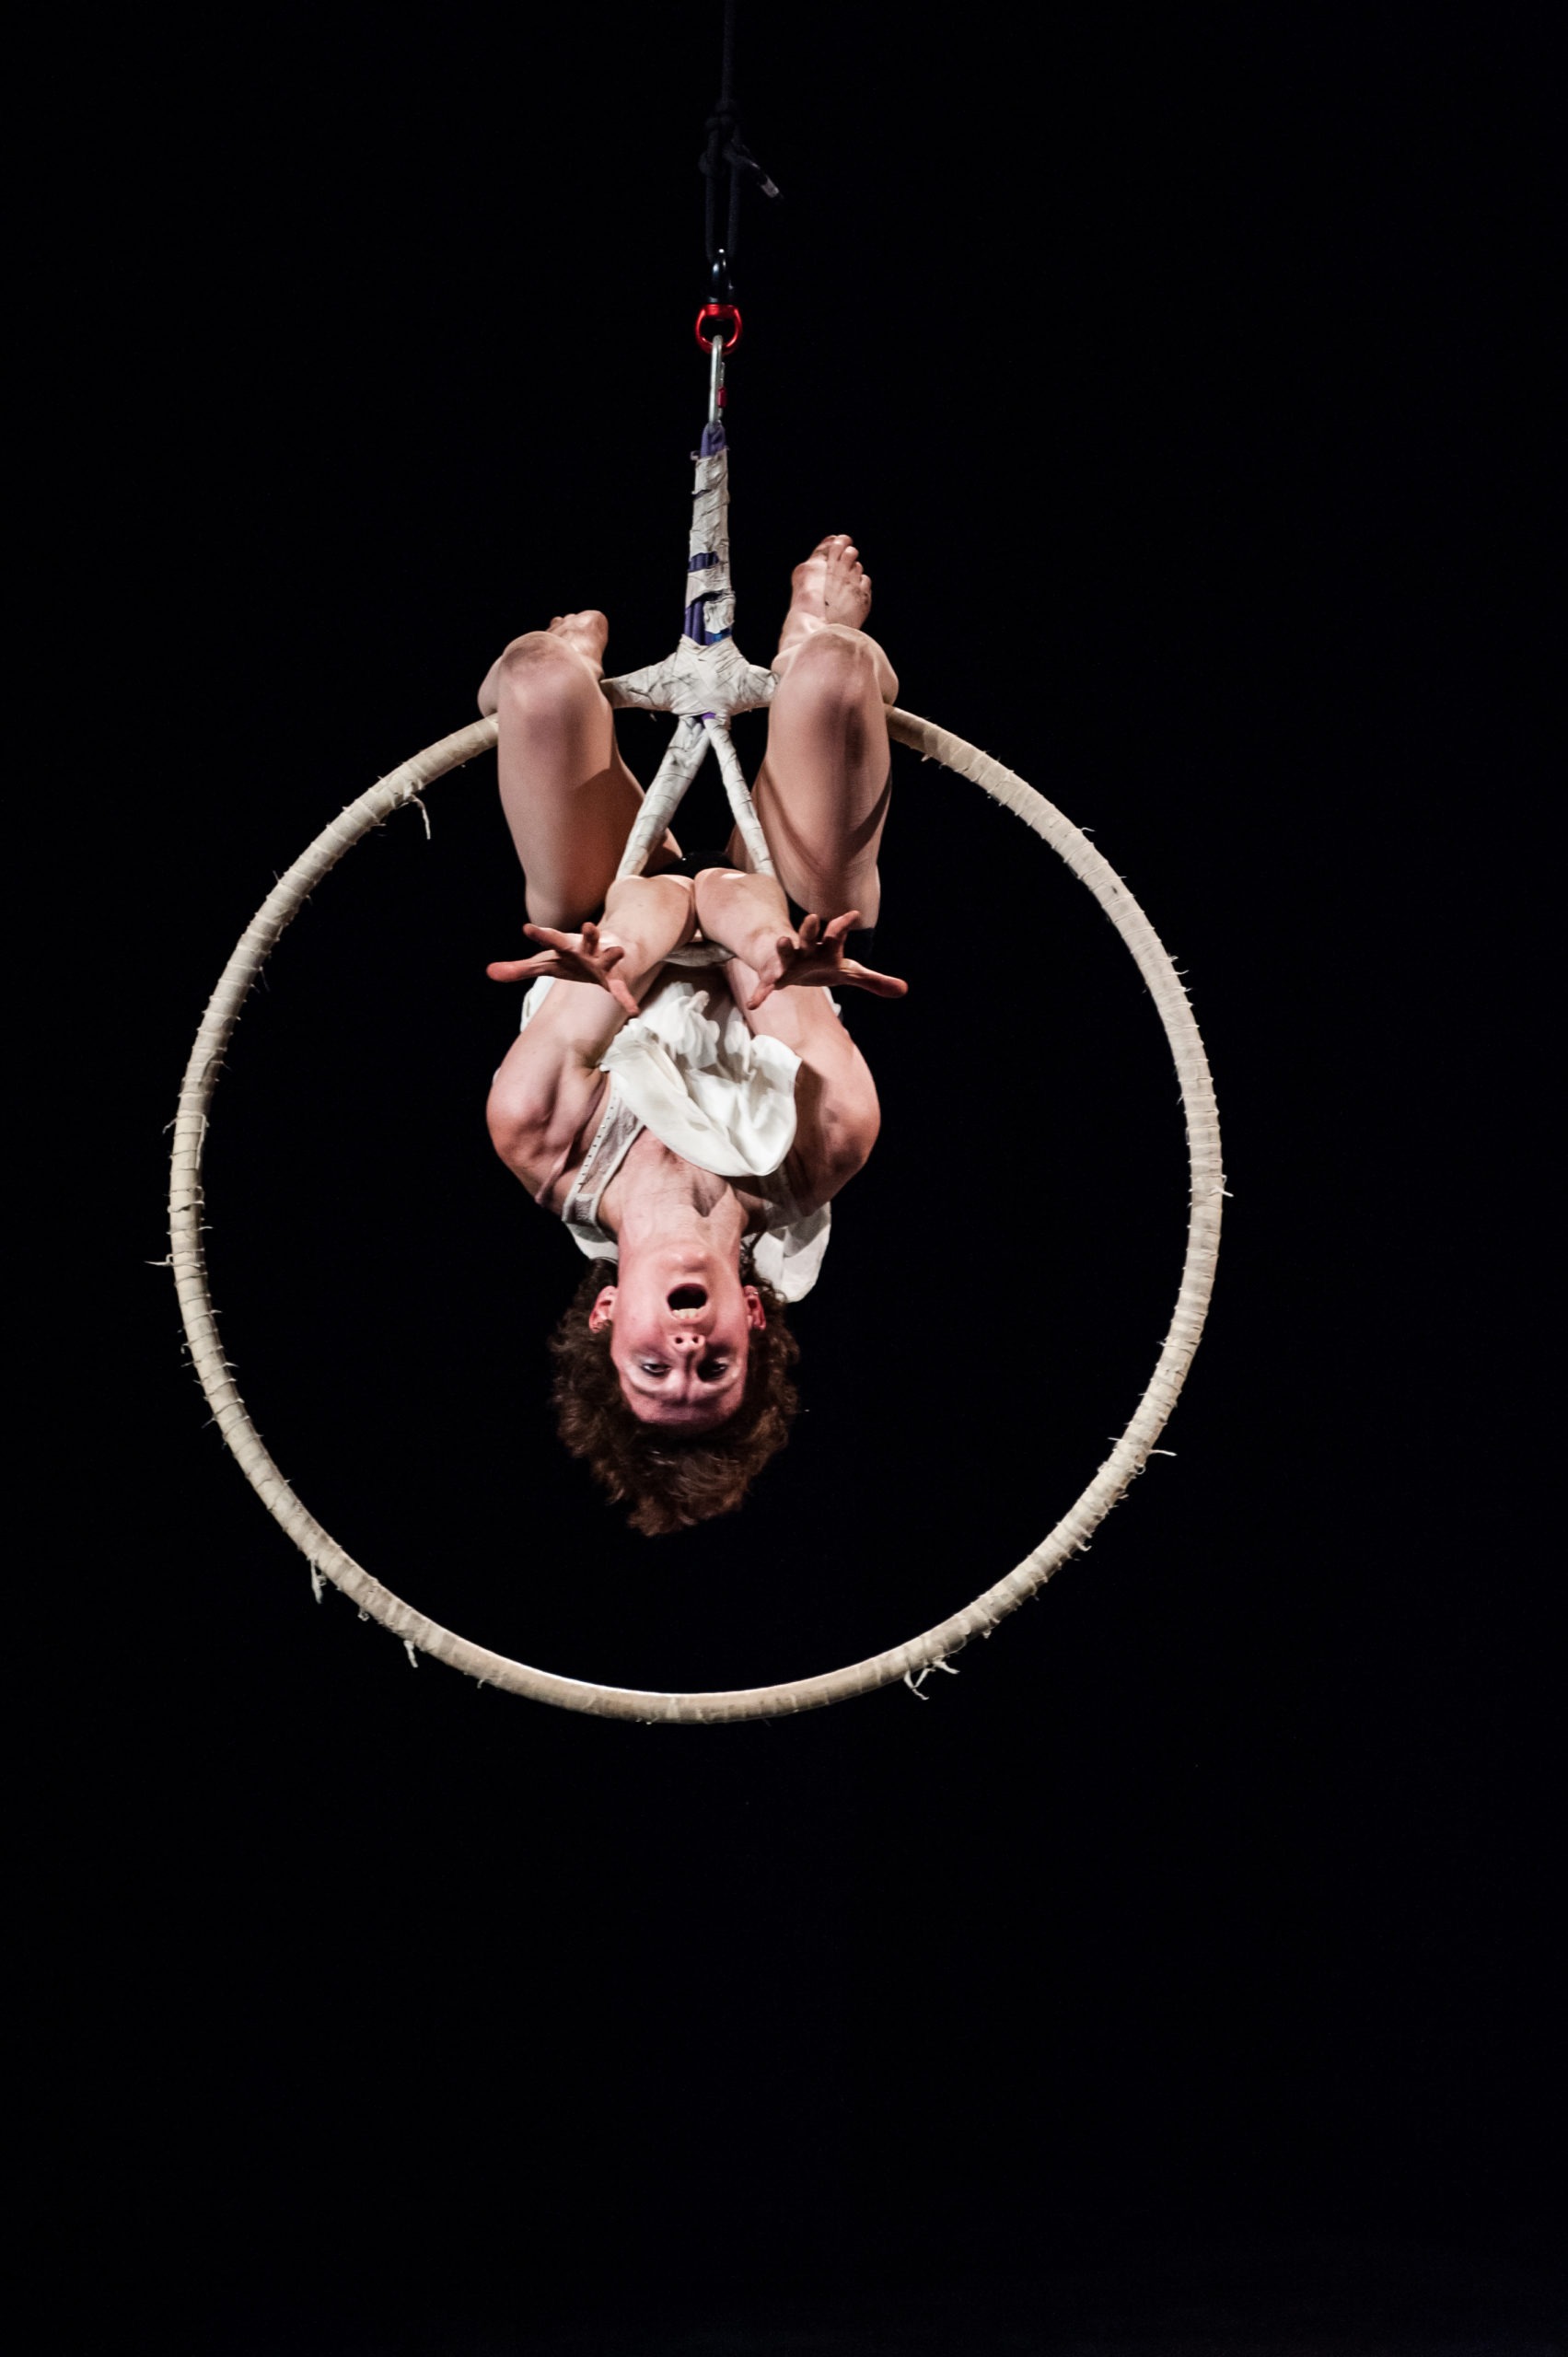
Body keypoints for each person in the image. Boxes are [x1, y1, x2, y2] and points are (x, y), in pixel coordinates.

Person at [480, 535, 906, 1534]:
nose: (684, 1347)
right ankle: (814, 642)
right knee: (838, 684)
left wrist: (632, 944)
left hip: (611, 898)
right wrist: (765, 943)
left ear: (603, 1321)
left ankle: (563, 679)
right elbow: (725, 890)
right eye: (712, 1366)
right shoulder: (825, 1144)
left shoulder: (536, 1134)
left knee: (539, 686)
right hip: (773, 903)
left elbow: (662, 899)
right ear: (753, 1322)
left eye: (651, 1365)